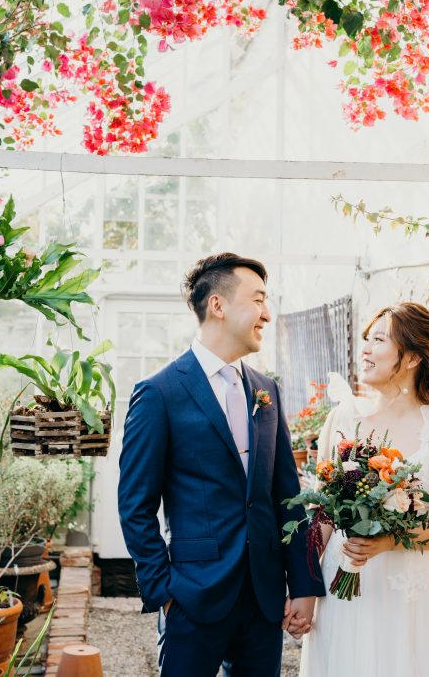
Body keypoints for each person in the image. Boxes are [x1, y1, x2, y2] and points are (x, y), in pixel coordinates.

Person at [119, 252, 325, 677]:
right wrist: (163, 590)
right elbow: (135, 505)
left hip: (264, 598)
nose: (267, 314)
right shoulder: (159, 393)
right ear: (218, 305)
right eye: (258, 300)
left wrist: (303, 586)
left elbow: (288, 496)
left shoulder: (266, 390)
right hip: (193, 597)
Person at [299, 302, 429, 677]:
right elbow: (323, 513)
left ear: (413, 356)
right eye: (367, 338)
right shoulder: (343, 418)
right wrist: (304, 586)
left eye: (379, 339)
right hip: (344, 581)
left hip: (410, 592)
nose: (365, 348)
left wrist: (389, 541)